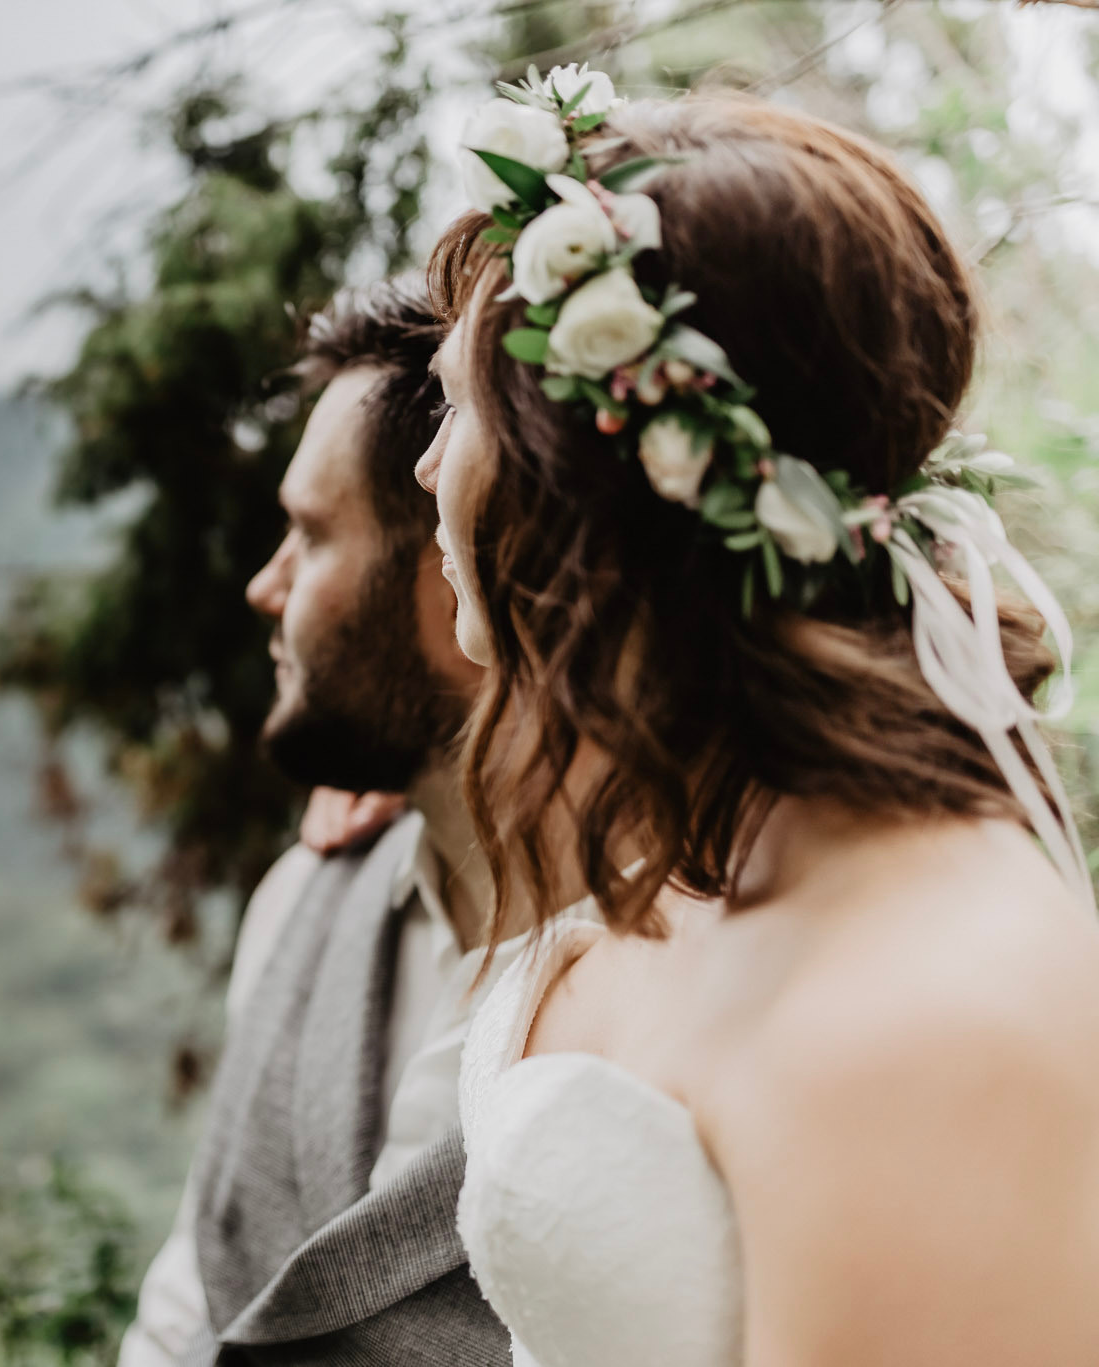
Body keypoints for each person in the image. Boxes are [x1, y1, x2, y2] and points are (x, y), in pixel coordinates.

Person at [416, 72, 1099, 1366]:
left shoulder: (942, 1009)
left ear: (597, 476)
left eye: (450, 407)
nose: (423, 470)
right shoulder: (691, 843)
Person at [118, 280, 513, 1367]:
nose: (262, 585)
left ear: (451, 565)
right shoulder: (300, 892)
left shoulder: (662, 986)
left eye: (305, 533)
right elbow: (194, 1286)